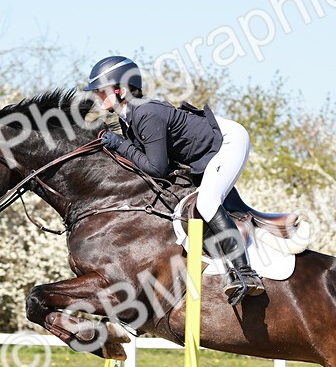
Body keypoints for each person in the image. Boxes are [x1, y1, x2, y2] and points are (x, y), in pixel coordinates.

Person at [83, 56, 265, 306]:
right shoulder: (128, 118)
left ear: (121, 90)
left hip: (228, 142)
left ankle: (246, 274)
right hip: (205, 155)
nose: (97, 97)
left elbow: (157, 168)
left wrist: (120, 144)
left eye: (101, 91)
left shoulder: (145, 113)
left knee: (208, 203)